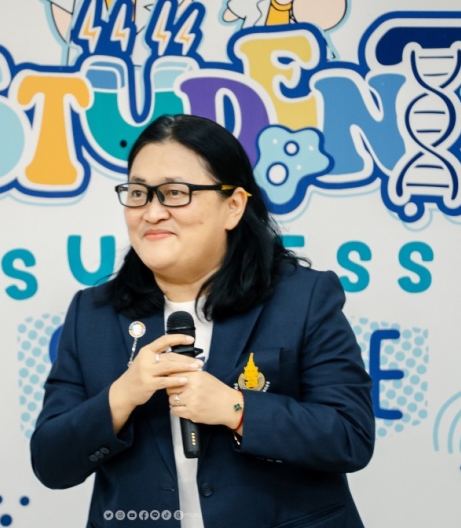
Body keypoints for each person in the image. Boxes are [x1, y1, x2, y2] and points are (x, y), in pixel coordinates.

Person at [30, 114, 374, 527]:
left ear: (233, 206)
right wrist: (122, 396)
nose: (152, 212)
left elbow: (350, 435)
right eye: (138, 193)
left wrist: (236, 409)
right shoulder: (94, 313)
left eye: (175, 193)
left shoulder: (303, 298)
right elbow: (51, 463)